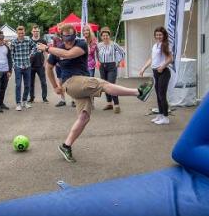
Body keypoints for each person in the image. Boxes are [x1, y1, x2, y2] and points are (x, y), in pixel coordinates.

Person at [39, 24, 153, 163]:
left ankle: (66, 145)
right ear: (61, 36)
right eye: (66, 35)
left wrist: (47, 48)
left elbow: (68, 54)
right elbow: (48, 68)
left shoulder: (81, 44)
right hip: (71, 83)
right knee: (102, 84)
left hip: (82, 83)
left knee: (84, 117)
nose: (68, 38)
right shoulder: (58, 49)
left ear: (75, 34)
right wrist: (55, 86)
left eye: (71, 34)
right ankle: (138, 92)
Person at [139, 26, 174, 125]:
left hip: (164, 72)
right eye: (157, 35)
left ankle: (166, 118)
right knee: (158, 95)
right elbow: (151, 59)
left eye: (160, 35)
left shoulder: (165, 45)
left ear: (164, 35)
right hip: (155, 72)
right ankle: (160, 114)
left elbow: (170, 58)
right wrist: (143, 68)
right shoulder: (155, 46)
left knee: (162, 95)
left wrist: (162, 66)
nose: (158, 36)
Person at [97, 26, 125, 113]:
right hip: (102, 66)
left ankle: (116, 105)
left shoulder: (114, 44)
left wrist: (118, 61)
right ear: (101, 37)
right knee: (105, 85)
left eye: (107, 35)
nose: (105, 37)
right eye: (103, 36)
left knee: (111, 85)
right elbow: (96, 54)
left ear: (109, 36)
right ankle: (109, 103)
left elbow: (122, 52)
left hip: (112, 66)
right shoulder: (99, 45)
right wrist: (98, 61)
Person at [9, 25, 38, 111]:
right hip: (18, 66)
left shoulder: (28, 40)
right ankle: (18, 103)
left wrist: (31, 54)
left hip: (27, 65)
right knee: (18, 85)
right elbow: (11, 54)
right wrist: (14, 65)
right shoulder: (13, 42)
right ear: (17, 33)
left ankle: (25, 101)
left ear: (24, 32)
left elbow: (35, 46)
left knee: (27, 85)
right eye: (19, 33)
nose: (21, 35)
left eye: (22, 33)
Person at [28, 25, 49, 103]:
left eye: (37, 31)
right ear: (32, 32)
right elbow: (26, 52)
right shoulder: (29, 41)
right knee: (31, 82)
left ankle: (44, 98)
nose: (36, 32)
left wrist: (45, 62)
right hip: (31, 65)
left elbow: (46, 53)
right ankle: (31, 98)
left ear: (39, 31)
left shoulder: (43, 41)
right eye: (34, 31)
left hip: (40, 64)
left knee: (43, 82)